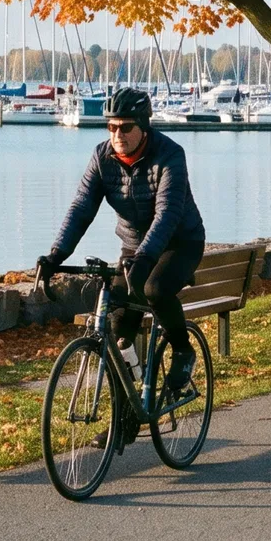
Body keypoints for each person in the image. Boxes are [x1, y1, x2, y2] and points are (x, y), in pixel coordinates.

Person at [35, 88, 206, 393]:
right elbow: (81, 208)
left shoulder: (170, 155)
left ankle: (183, 350)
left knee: (154, 288)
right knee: (118, 329)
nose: (118, 134)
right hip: (134, 246)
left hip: (180, 243)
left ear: (144, 127)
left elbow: (167, 213)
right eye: (112, 127)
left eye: (126, 127)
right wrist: (55, 255)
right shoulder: (102, 158)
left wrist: (144, 258)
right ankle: (126, 418)